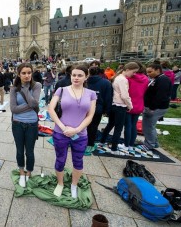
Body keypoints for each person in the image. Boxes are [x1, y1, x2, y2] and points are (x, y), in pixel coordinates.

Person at [48, 65, 97, 198]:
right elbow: (51, 109)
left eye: (80, 75)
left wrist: (77, 129)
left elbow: (90, 115)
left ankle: (74, 185)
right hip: (60, 132)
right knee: (60, 159)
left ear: (86, 76)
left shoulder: (91, 94)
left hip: (80, 134)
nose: (76, 78)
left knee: (78, 160)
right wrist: (63, 127)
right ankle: (60, 183)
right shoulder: (61, 90)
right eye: (74, 75)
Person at [10, 63, 41, 188]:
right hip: (17, 123)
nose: (27, 75)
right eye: (23, 73)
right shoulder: (13, 88)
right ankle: (21, 172)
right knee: (19, 150)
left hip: (32, 124)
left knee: (30, 151)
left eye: (29, 72)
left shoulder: (36, 85)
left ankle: (29, 173)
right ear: (19, 74)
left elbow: (35, 103)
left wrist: (25, 90)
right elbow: (13, 109)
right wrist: (30, 103)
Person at [99, 62, 139, 154]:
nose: (134, 74)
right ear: (127, 70)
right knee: (118, 128)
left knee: (110, 125)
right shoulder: (122, 79)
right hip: (119, 106)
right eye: (133, 72)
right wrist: (130, 106)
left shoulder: (118, 77)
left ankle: (102, 141)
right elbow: (125, 95)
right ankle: (114, 148)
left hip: (114, 105)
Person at [142, 63, 172, 149]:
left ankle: (149, 144)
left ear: (157, 70)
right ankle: (154, 143)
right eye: (147, 72)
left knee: (148, 126)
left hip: (156, 107)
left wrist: (152, 108)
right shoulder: (157, 79)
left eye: (150, 72)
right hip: (155, 107)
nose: (148, 74)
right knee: (150, 126)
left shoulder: (163, 80)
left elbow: (161, 96)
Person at [86, 66, 112, 150]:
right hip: (98, 108)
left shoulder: (85, 81)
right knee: (93, 127)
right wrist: (106, 110)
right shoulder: (106, 83)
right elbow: (108, 98)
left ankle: (81, 142)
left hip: (84, 107)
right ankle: (90, 144)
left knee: (83, 126)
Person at [124, 62, 148, 149]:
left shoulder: (129, 78)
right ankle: (131, 144)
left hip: (129, 104)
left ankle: (126, 144)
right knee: (133, 125)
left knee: (128, 125)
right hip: (139, 104)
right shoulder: (145, 79)